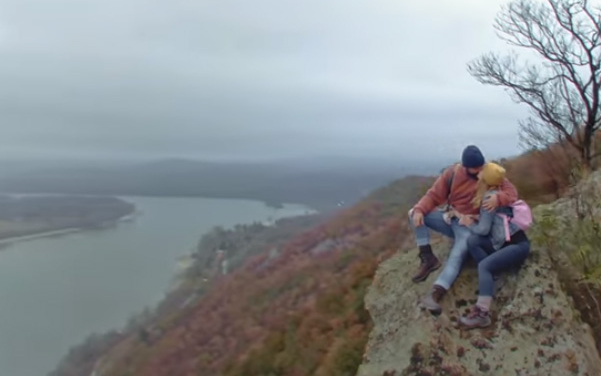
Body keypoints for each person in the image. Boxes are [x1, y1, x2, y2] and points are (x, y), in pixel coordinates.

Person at [408, 145, 518, 314]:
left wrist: (498, 198)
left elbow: (512, 193)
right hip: (451, 218)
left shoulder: (489, 173)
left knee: (458, 253)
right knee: (414, 213)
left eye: (480, 166)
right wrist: (419, 210)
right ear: (465, 166)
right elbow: (434, 195)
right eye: (475, 168)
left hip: (469, 227)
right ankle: (428, 257)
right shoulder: (453, 173)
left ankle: (435, 294)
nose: (479, 171)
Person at [459, 163, 530, 328]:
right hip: (506, 241)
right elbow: (490, 222)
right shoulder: (498, 193)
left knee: (483, 266)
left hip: (516, 246)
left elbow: (483, 230)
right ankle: (492, 275)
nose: (478, 174)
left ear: (486, 180)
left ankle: (482, 314)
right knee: (472, 241)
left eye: (481, 173)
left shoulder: (489, 198)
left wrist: (468, 223)